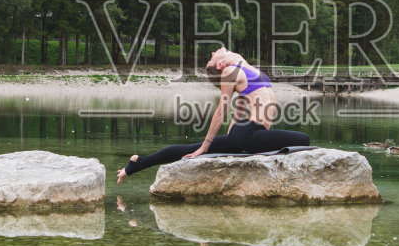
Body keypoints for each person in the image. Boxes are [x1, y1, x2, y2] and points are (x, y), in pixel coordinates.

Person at [115, 48, 310, 183]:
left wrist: (231, 131)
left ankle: (136, 164)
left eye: (213, 54)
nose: (212, 53)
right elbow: (222, 109)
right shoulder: (229, 71)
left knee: (188, 149)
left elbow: (241, 105)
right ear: (220, 66)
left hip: (248, 133)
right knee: (304, 138)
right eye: (212, 58)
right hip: (248, 134)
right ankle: (140, 164)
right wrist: (206, 145)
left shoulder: (243, 66)